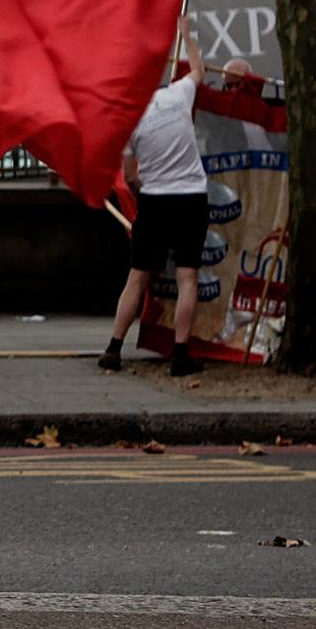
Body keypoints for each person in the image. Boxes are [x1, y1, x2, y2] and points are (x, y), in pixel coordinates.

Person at [99, 32, 209, 376]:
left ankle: (114, 348)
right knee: (187, 276)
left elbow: (130, 176)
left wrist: (143, 191)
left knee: (137, 277)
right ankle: (180, 353)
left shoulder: (128, 122)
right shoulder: (177, 96)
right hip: (191, 196)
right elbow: (199, 71)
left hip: (155, 199)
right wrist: (188, 32)